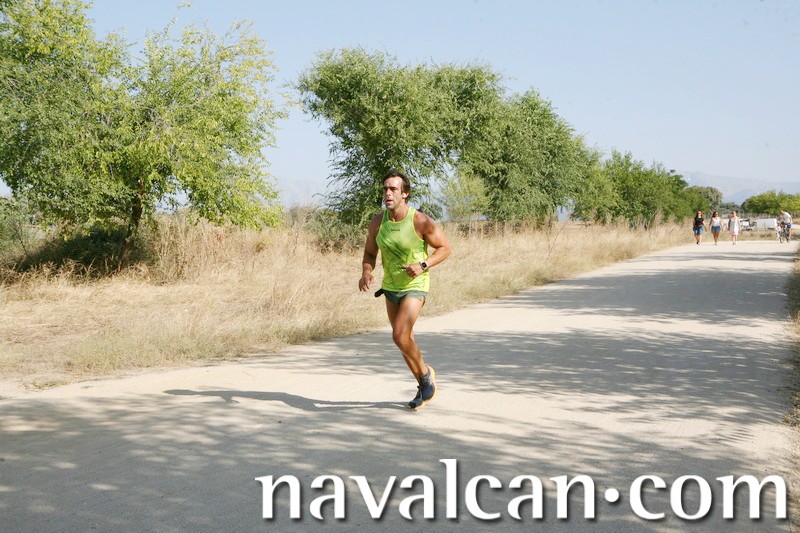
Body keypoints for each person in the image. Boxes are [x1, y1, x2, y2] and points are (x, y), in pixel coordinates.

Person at [359, 170, 452, 409]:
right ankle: (423, 386)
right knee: (404, 339)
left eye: (393, 189)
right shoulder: (378, 223)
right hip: (391, 287)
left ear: (405, 194)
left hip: (415, 285)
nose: (388, 193)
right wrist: (366, 272)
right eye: (385, 189)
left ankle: (425, 376)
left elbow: (444, 248)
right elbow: (369, 253)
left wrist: (423, 265)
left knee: (399, 335)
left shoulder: (419, 220)